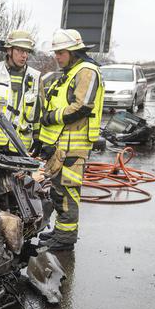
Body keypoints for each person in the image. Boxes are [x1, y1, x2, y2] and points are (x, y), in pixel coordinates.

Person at [37, 29, 104, 251]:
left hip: (74, 146)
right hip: (62, 145)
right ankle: (61, 231)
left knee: (68, 191)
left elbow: (82, 107)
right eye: (56, 53)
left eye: (61, 52)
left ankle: (66, 239)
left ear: (74, 51)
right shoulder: (72, 71)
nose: (57, 57)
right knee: (58, 190)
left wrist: (50, 118)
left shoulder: (86, 71)